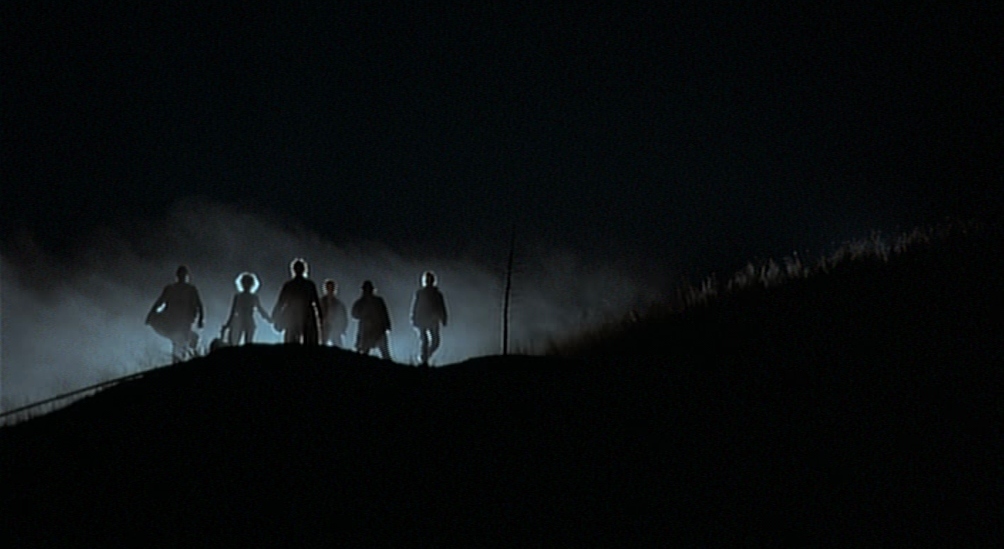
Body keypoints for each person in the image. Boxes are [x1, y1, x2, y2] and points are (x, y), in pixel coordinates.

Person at [146, 265, 205, 362]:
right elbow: (160, 302)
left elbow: (198, 305)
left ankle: (182, 360)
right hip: (174, 321)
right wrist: (151, 315)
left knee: (182, 341)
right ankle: (179, 360)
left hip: (184, 321)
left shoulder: (189, 290)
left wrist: (201, 319)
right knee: (179, 341)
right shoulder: (172, 289)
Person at [271, 258, 321, 344]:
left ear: (293, 270)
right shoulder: (309, 285)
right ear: (304, 269)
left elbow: (281, 302)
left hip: (292, 314)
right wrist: (320, 316)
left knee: (292, 341)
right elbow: (316, 302)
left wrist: (275, 314)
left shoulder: (289, 285)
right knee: (309, 342)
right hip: (307, 313)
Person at [223, 272, 272, 346]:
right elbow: (260, 310)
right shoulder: (252, 297)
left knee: (237, 344)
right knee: (247, 344)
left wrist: (228, 324)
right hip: (248, 322)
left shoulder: (239, 297)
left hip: (240, 322)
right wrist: (269, 319)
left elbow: (232, 312)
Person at [410, 270, 448, 366]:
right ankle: (424, 360)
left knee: (434, 341)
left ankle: (424, 357)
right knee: (426, 341)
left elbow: (441, 307)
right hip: (423, 319)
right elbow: (416, 306)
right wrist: (413, 318)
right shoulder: (421, 293)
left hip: (432, 320)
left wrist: (444, 318)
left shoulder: (437, 294)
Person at [351, 280, 392, 360]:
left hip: (378, 329)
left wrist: (387, 325)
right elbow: (354, 314)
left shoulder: (377, 301)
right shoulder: (361, 302)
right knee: (365, 350)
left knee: (383, 352)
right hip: (367, 330)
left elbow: (384, 313)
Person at [319, 278, 348, 347]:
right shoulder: (321, 302)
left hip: (335, 327)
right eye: (328, 288)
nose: (330, 290)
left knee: (337, 345)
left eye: (331, 288)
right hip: (324, 327)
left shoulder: (338, 303)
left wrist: (342, 328)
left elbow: (343, 317)